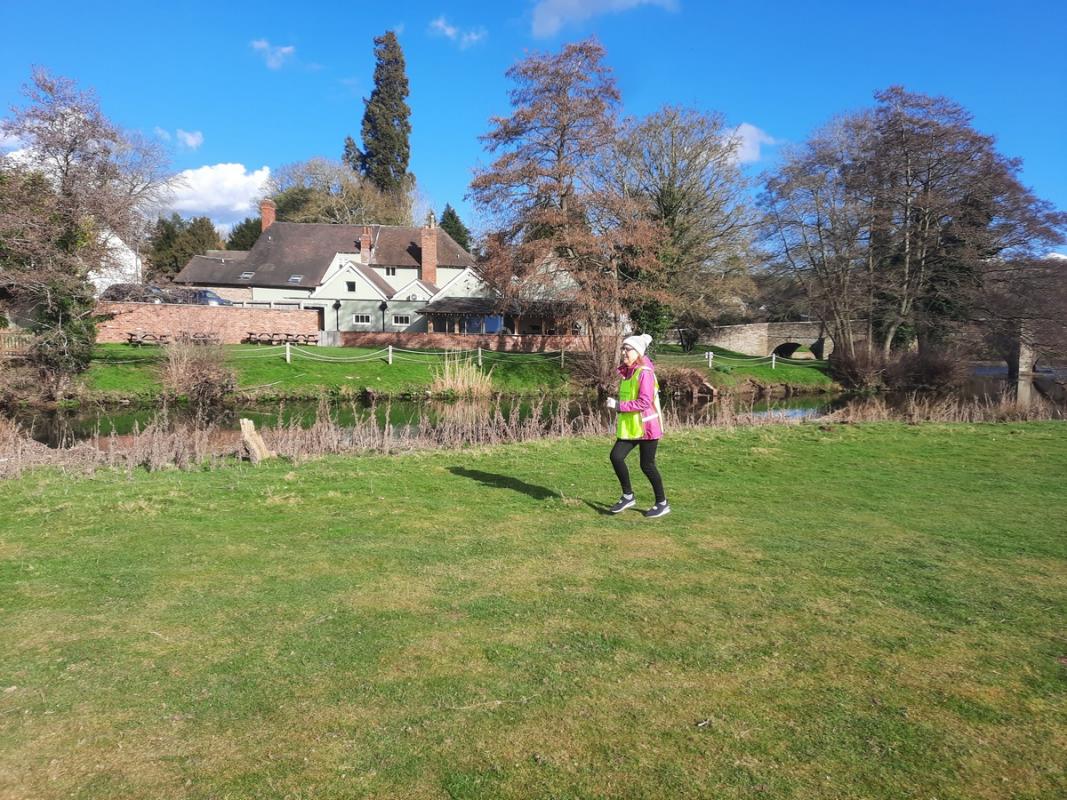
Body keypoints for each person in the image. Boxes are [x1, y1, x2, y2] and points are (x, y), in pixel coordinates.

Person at [605, 333, 670, 518]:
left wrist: (619, 406)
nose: (624, 352)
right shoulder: (628, 373)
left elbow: (644, 402)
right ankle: (628, 496)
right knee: (616, 457)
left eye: (628, 349)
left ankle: (662, 503)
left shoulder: (645, 373)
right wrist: (618, 405)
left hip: (648, 427)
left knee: (647, 465)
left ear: (638, 352)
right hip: (632, 427)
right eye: (623, 349)